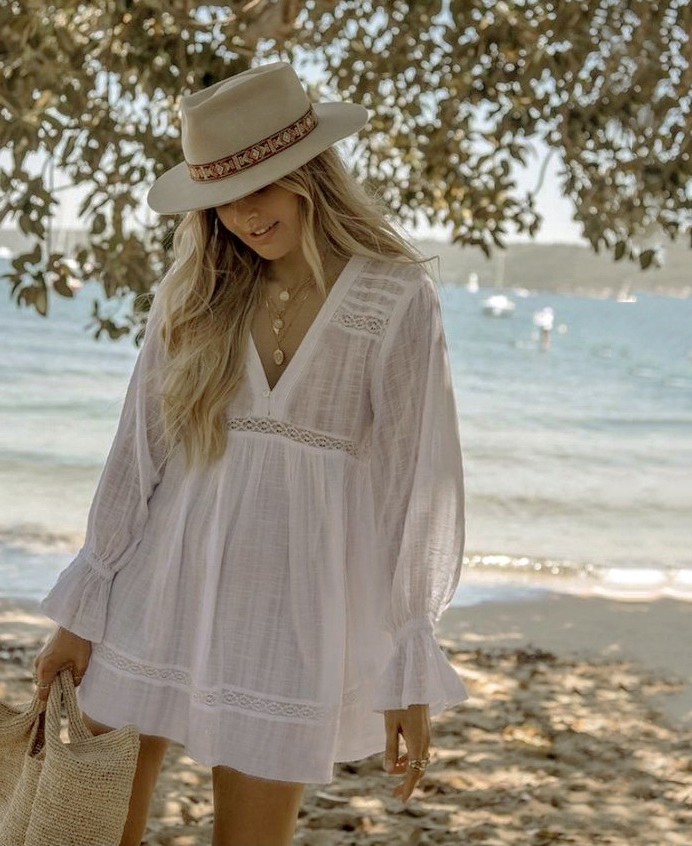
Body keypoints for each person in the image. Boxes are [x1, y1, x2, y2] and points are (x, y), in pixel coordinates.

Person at [33, 61, 468, 846]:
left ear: (310, 176)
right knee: (91, 829)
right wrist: (80, 612)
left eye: (261, 187)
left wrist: (410, 661)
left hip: (292, 615)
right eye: (221, 197)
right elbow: (138, 457)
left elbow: (417, 486)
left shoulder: (395, 298)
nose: (241, 214)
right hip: (154, 590)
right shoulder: (194, 293)